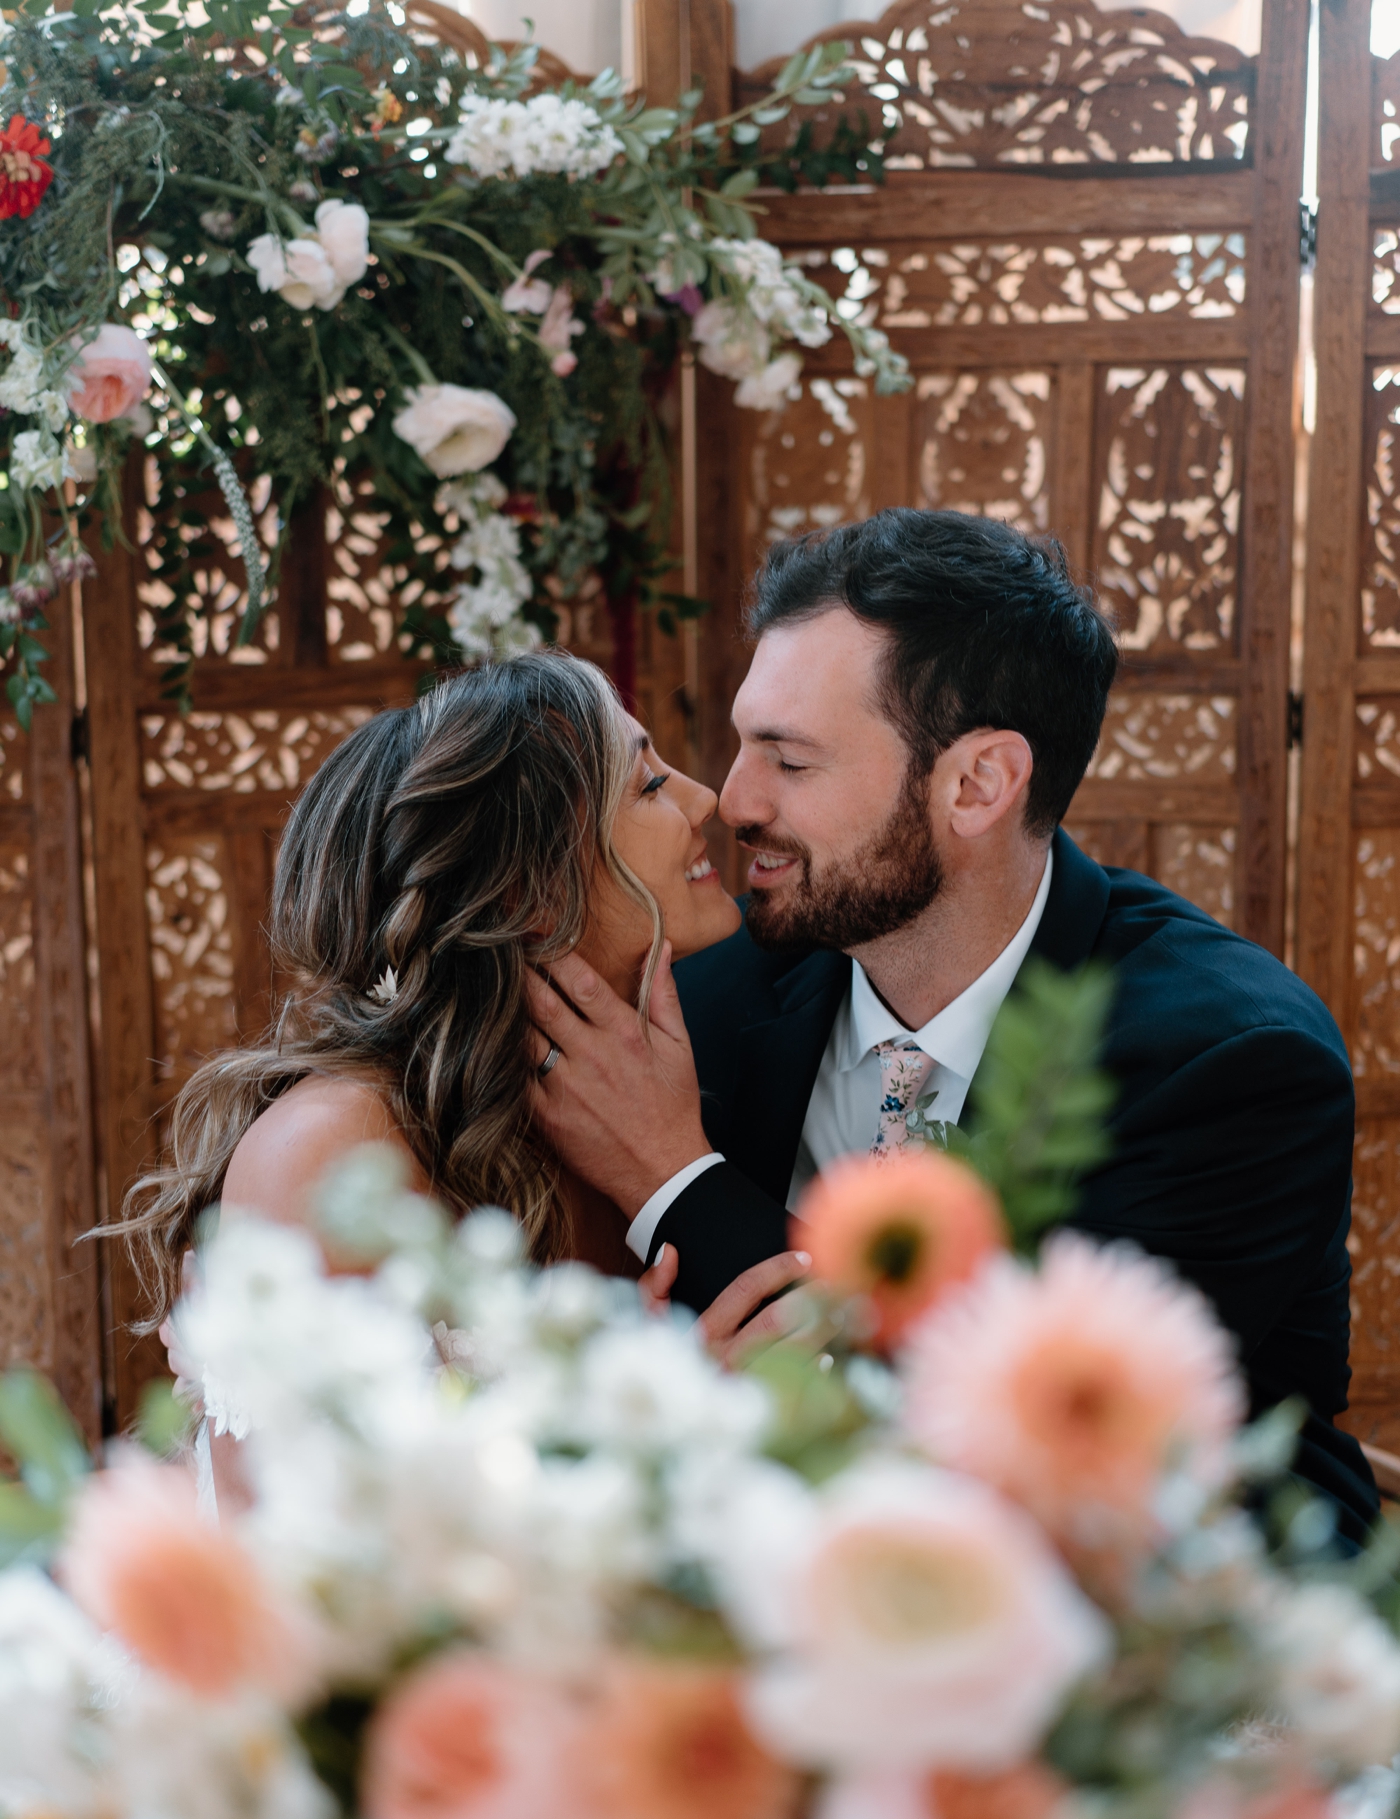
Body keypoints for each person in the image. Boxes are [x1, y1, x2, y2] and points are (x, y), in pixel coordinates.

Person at [527, 510, 1380, 1549]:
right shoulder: (710, 995)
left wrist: (674, 1179)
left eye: (789, 764)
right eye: (743, 745)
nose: (732, 802)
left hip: (1175, 1625)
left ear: (976, 784)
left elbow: (1018, 1450)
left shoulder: (1227, 1063)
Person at [110, 652, 807, 1346]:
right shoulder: (338, 1147)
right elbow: (276, 1461)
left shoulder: (680, 1075)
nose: (706, 800)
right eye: (650, 785)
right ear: (528, 889)